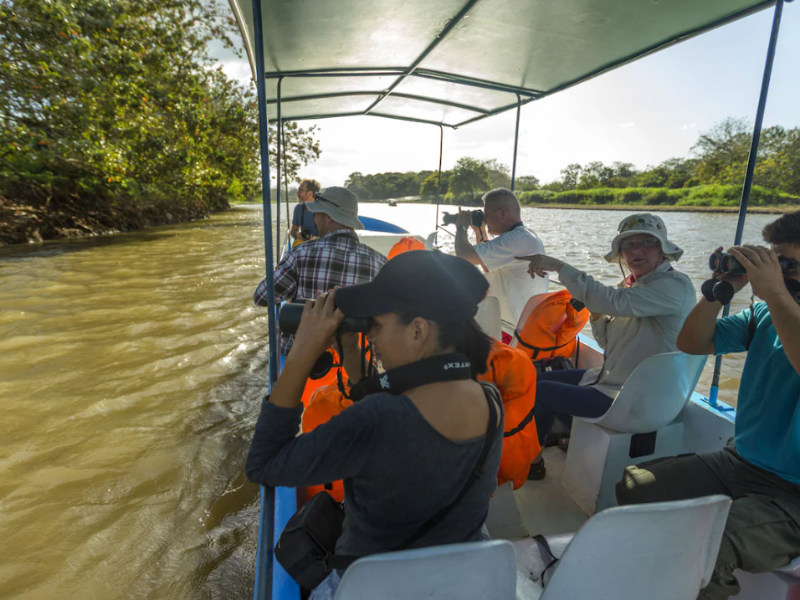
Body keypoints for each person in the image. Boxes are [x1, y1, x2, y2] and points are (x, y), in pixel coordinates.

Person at [246, 251, 504, 598]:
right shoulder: (489, 399)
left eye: (377, 326)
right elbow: (403, 422)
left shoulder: (378, 419)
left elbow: (264, 463)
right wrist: (353, 360)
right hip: (457, 581)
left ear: (417, 331)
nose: (372, 339)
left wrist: (302, 352)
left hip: (375, 587)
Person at [616, 210, 800, 600]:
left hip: (793, 493)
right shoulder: (765, 314)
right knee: (635, 486)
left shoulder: (777, 305)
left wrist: (776, 293)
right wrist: (719, 290)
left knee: (705, 545)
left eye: (789, 265)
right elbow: (693, 342)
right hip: (742, 460)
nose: (780, 274)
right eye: (776, 262)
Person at [517, 213, 695, 479]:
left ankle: (532, 464)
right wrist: (598, 312)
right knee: (535, 377)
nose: (636, 250)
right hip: (611, 382)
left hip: (636, 401)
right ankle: (569, 437)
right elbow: (607, 342)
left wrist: (557, 265)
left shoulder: (674, 286)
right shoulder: (629, 287)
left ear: (662, 249)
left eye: (647, 242)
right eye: (628, 244)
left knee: (539, 392)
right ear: (621, 253)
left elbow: (610, 299)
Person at [253, 186, 386, 355]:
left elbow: (261, 297)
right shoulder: (380, 263)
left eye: (316, 214)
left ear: (328, 217)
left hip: (302, 357)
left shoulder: (301, 253)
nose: (314, 219)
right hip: (356, 360)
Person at [454, 188, 548, 332]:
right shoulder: (525, 236)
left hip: (510, 332)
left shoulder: (514, 240)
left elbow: (464, 255)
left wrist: (461, 227)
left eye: (486, 215)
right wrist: (480, 231)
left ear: (503, 213)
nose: (485, 220)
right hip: (523, 327)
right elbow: (486, 264)